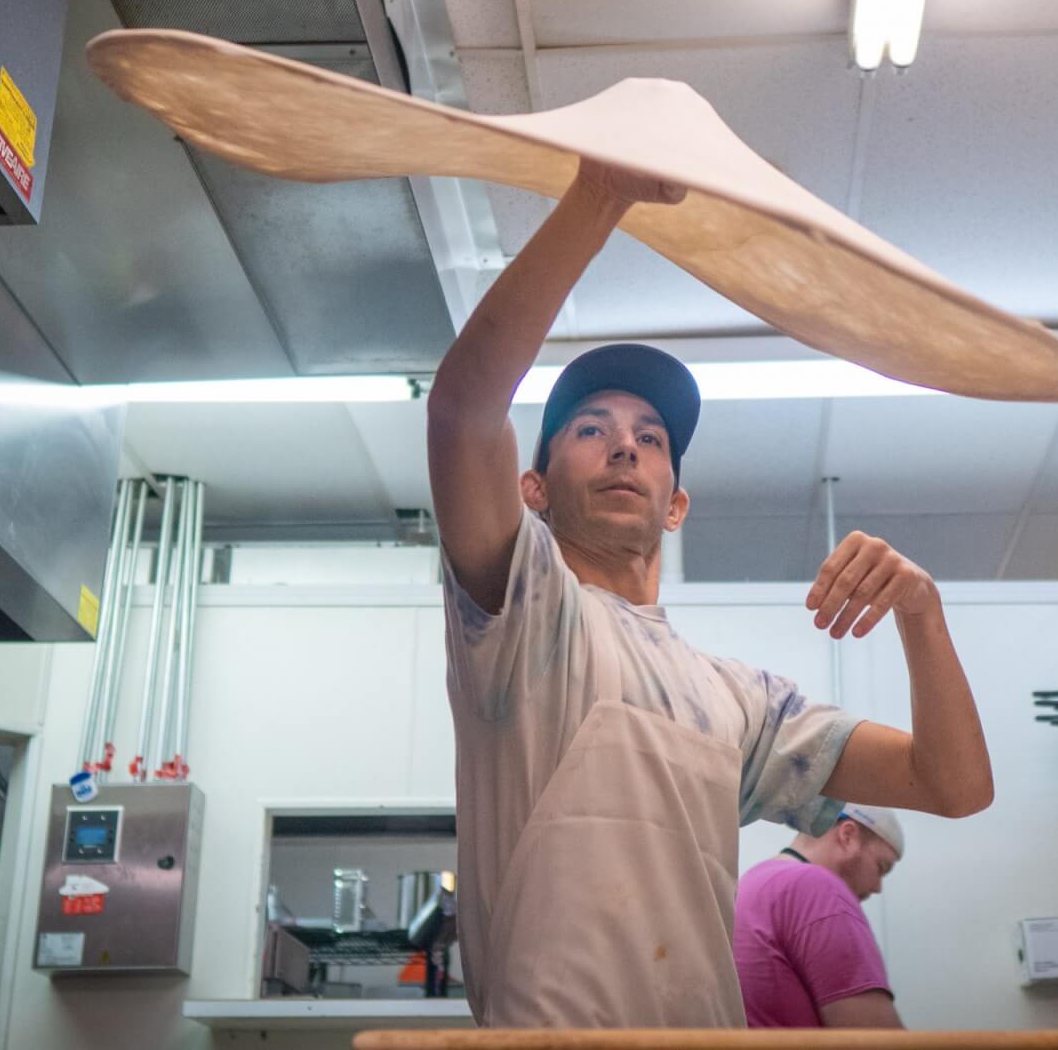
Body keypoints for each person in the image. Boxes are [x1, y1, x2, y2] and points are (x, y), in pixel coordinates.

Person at [425, 158, 994, 1027]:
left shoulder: (740, 702)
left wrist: (923, 613)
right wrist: (601, 194)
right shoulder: (522, 614)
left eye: (650, 439)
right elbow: (465, 407)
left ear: (677, 502)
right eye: (590, 431)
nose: (625, 449)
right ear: (532, 490)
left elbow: (953, 783)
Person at [733, 804, 906, 1028]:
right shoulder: (818, 888)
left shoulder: (752, 881)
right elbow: (875, 1039)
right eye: (881, 867)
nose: (877, 887)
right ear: (848, 836)